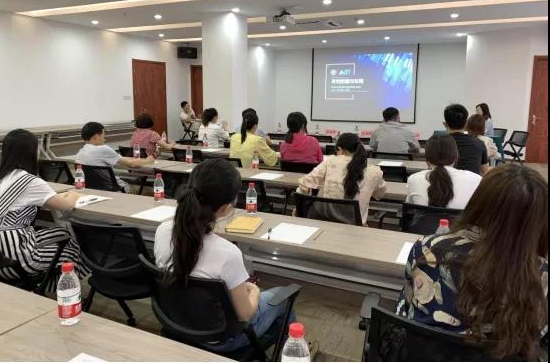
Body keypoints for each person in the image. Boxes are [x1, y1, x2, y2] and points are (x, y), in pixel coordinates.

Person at [397, 164, 548, 360]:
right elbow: (538, 335)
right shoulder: (541, 274)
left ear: (478, 202)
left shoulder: (427, 248)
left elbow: (408, 307)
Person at [154, 159, 296, 352]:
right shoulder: (228, 253)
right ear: (225, 208)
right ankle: (292, 351)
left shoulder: (162, 231)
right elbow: (245, 314)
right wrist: (254, 291)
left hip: (176, 324)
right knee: (283, 296)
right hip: (222, 340)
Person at [0, 129, 88, 290]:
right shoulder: (29, 181)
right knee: (72, 251)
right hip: (14, 260)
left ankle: (51, 287)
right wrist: (73, 193)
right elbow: (68, 205)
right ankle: (62, 292)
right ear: (30, 152)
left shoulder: (0, 177)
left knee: (62, 232)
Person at [297, 133, 386, 224]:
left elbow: (305, 182)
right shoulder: (375, 172)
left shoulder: (330, 161)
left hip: (324, 220)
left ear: (339, 149)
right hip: (353, 226)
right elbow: (380, 194)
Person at [406, 135, 482, 209]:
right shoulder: (476, 179)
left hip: (424, 218)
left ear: (427, 159)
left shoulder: (413, 179)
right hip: (461, 218)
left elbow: (409, 208)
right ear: (456, 157)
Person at [76, 122, 155, 191]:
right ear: (96, 137)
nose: (104, 140)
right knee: (145, 190)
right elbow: (132, 164)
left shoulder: (79, 153)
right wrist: (148, 160)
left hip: (95, 190)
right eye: (103, 136)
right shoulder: (103, 149)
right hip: (117, 189)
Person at [443, 104, 489, 175]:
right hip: (473, 181)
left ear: (445, 124)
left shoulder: (439, 143)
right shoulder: (479, 143)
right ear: (465, 124)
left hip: (445, 181)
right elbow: (484, 171)